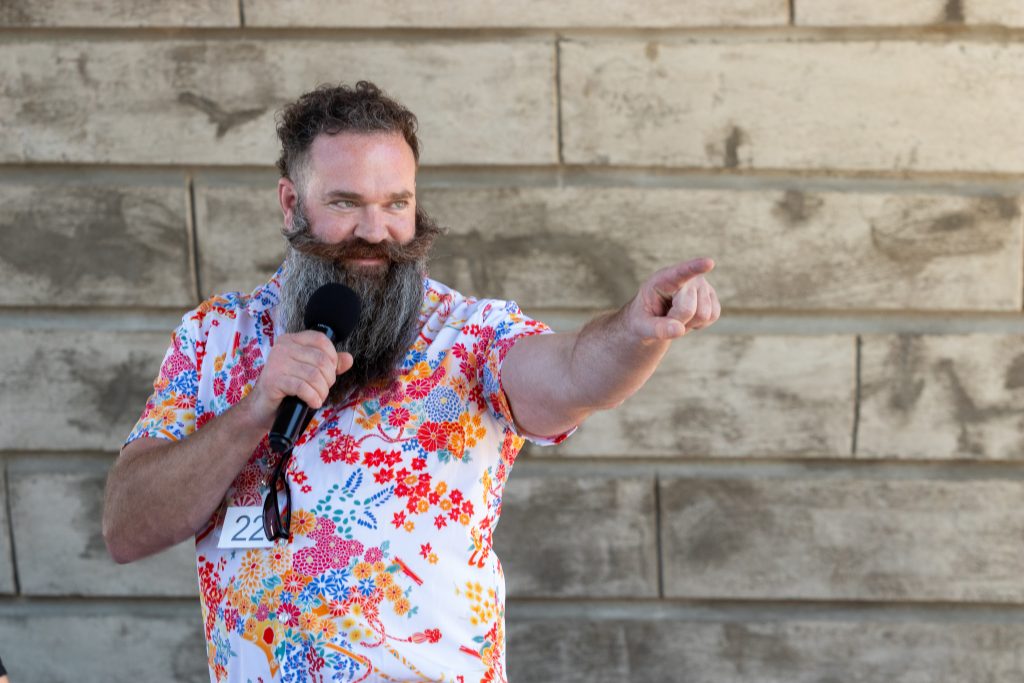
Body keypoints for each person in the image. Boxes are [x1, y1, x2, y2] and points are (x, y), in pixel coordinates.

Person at [102, 81, 719, 683]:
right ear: (291, 204)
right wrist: (253, 412)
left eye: (396, 202)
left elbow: (575, 372)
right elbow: (127, 529)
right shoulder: (214, 337)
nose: (377, 231)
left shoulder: (470, 336)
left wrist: (635, 332)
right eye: (345, 203)